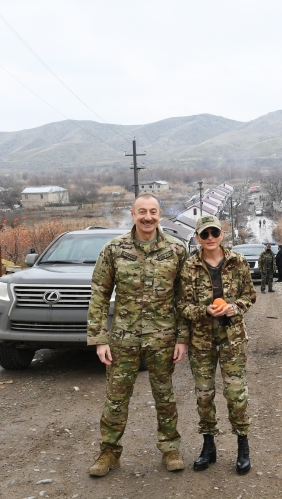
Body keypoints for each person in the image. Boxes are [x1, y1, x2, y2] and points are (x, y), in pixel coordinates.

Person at [87, 193, 188, 477]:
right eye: (142, 211)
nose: (147, 217)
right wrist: (99, 339)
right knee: (116, 397)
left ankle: (170, 447)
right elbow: (99, 295)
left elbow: (184, 297)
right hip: (123, 338)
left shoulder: (176, 250)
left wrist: (182, 338)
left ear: (160, 215)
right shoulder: (114, 249)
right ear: (132, 215)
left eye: (153, 212)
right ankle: (109, 452)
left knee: (165, 394)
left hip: (163, 337)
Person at [178, 214, 256, 474]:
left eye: (214, 233)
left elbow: (250, 295)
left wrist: (234, 307)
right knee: (204, 395)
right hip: (202, 342)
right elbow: (182, 306)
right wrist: (205, 311)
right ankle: (208, 445)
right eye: (204, 234)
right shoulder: (189, 267)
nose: (210, 238)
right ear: (197, 238)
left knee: (235, 394)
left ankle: (242, 446)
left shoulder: (238, 261)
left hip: (232, 339)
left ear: (222, 235)